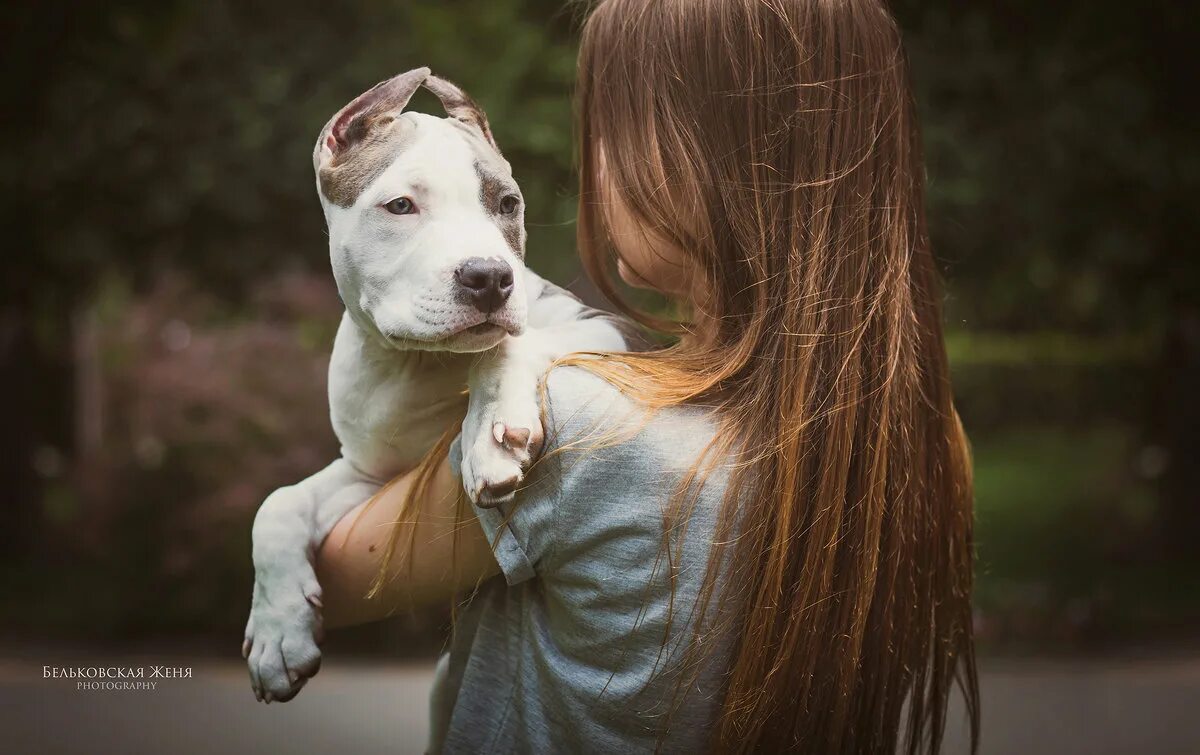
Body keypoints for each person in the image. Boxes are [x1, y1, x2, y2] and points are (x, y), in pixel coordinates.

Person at [314, 0, 980, 751]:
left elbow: (326, 575)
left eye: (608, 134)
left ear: (721, 159)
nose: (591, 167)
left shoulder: (574, 419)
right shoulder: (923, 433)